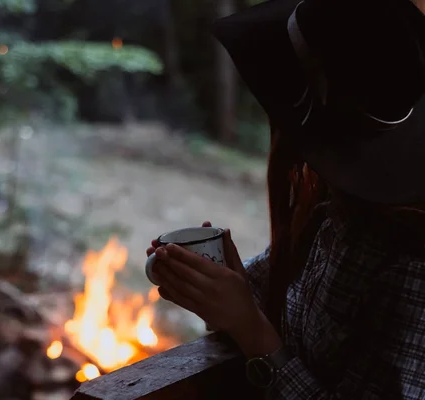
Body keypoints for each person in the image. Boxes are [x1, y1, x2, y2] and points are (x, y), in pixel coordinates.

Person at [146, 0, 425, 398]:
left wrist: (251, 330)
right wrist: (220, 282)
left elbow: (254, 323)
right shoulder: (337, 214)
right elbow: (261, 300)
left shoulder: (412, 273)